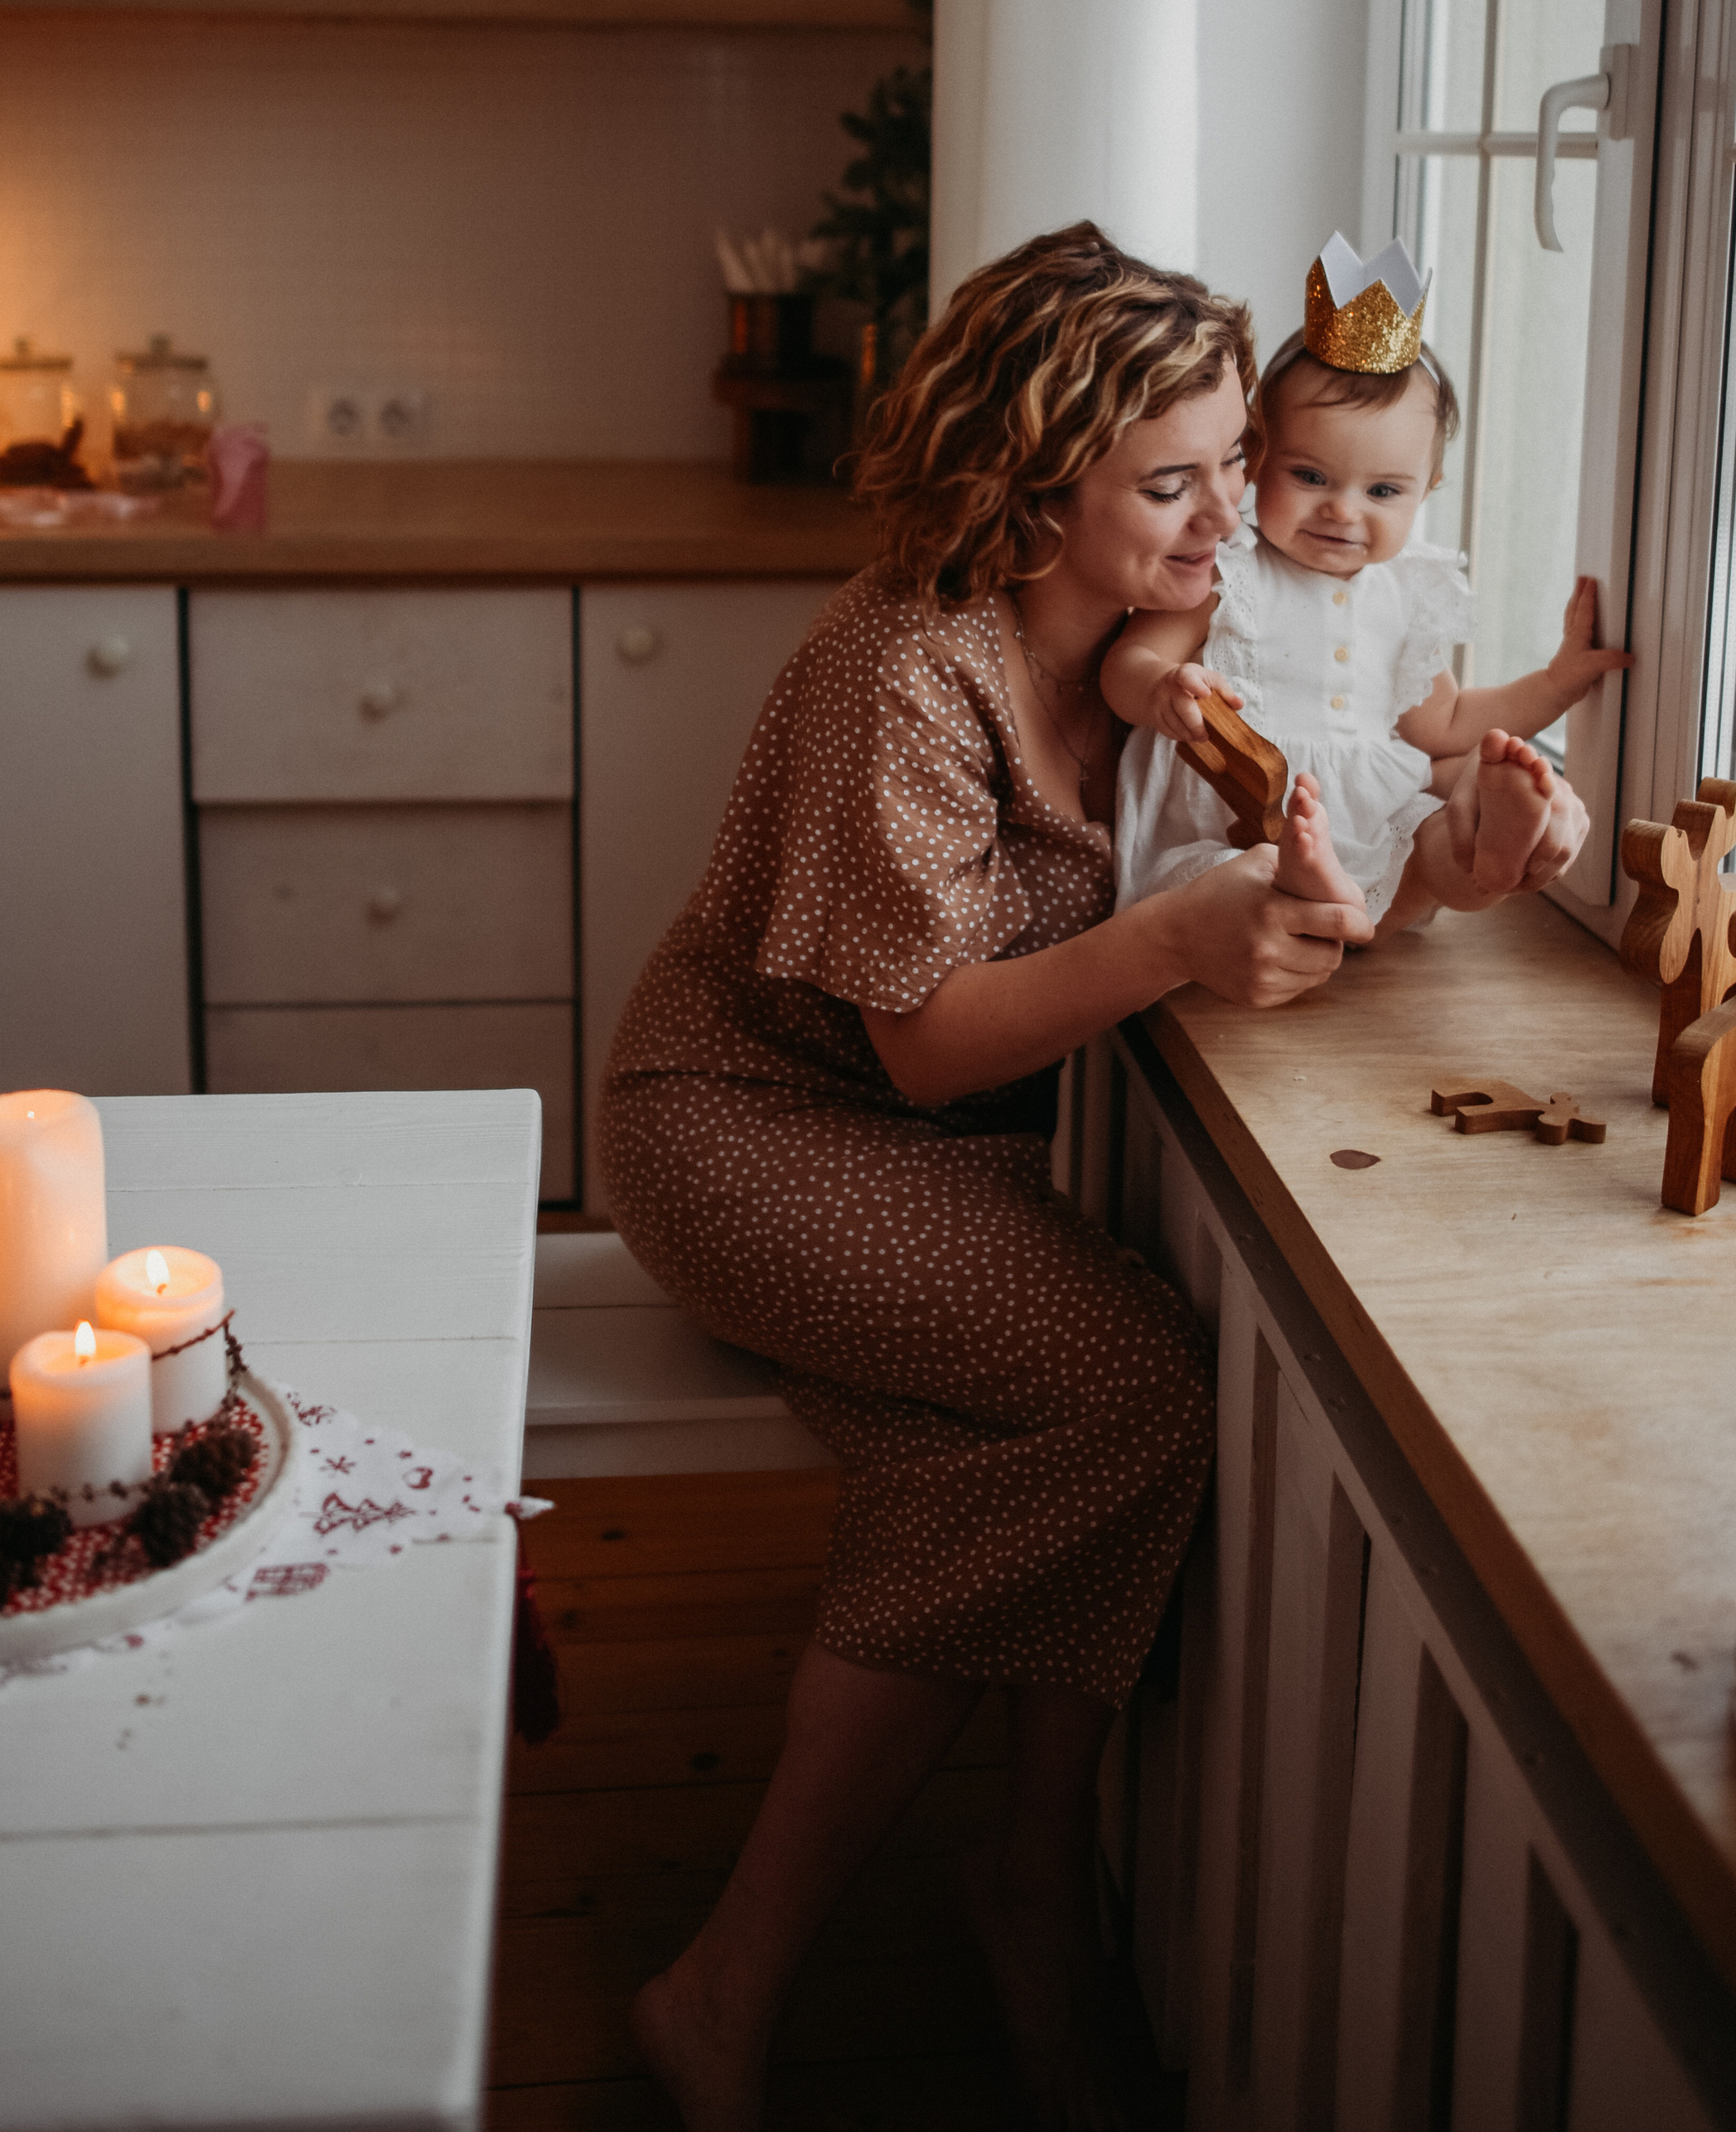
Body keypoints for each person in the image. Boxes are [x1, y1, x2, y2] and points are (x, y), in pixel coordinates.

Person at [601, 222, 1412, 2132]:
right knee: (1124, 1383)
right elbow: (925, 1037)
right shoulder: (905, 659)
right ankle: (980, 1903)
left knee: (1013, 1427)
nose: (1233, 513)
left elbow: (1351, 779)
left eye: (1233, 459)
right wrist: (1180, 940)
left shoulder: (1171, 639)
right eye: (1171, 478)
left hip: (918, 1150)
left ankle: (817, 1950)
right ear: (1027, 483)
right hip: (743, 1119)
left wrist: (1435, 851)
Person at [1104, 234, 1625, 935]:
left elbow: (1444, 724)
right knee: (1238, 886)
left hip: (1367, 809)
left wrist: (1559, 681)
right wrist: (1162, 690)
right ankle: (1302, 879)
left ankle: (1487, 848)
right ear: (1256, 458)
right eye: (1310, 476)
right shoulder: (1229, 569)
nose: (1343, 510)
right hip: (1243, 809)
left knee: (1422, 855)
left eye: (1383, 490)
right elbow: (1127, 663)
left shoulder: (1403, 594)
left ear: (1426, 491)